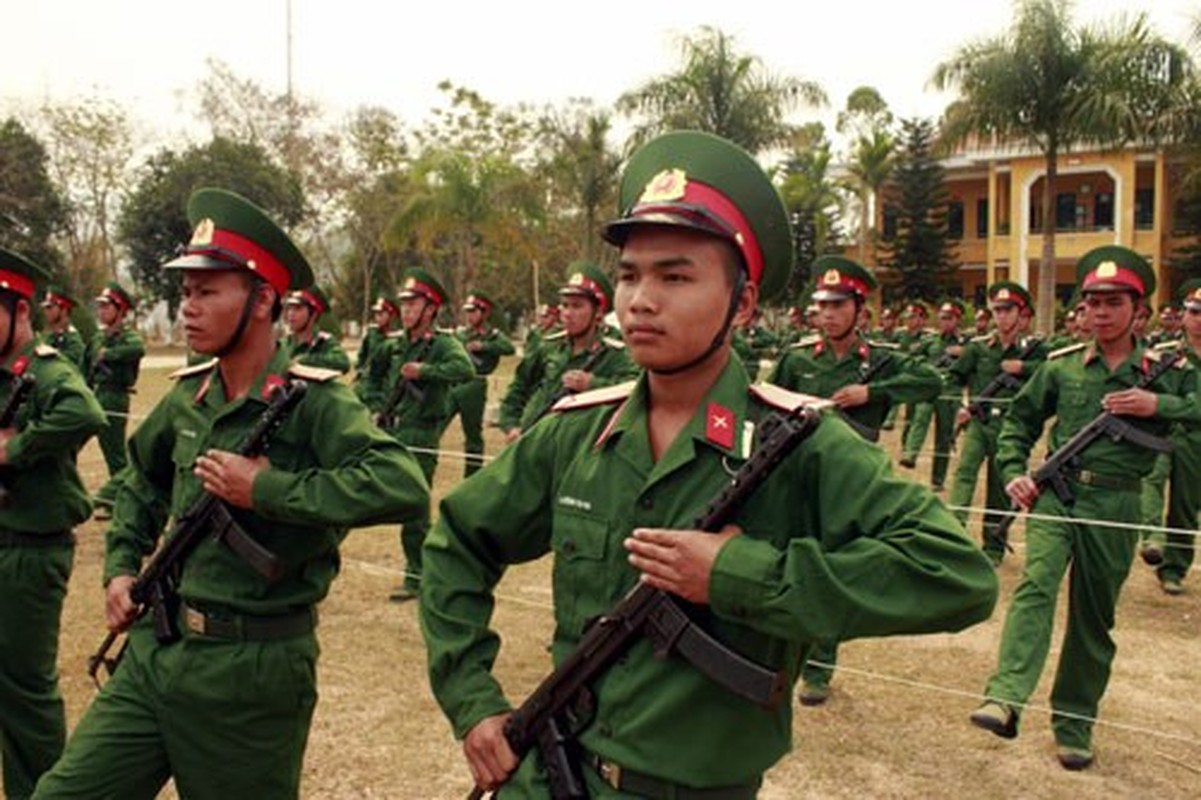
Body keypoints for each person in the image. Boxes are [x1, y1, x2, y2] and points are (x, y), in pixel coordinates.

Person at [421, 131, 997, 798]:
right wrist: (473, 701)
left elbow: (955, 575)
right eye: (629, 275)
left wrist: (742, 575)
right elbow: (458, 541)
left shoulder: (800, 443)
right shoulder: (577, 431)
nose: (639, 299)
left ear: (743, 304)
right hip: (551, 772)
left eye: (674, 276)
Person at [33, 188, 428, 799]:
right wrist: (118, 568)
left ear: (264, 300)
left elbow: (401, 482)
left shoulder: (315, 399)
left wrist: (266, 488)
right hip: (157, 651)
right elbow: (140, 480)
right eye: (185, 292)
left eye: (207, 291)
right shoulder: (191, 393)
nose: (188, 307)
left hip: (251, 672)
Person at [969, 246, 1199, 771]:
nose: (1099, 312)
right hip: (1059, 494)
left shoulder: (1168, 370)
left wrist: (1158, 405)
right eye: (1091, 301)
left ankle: (1074, 723)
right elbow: (1019, 422)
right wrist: (1014, 474)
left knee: (1093, 618)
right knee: (1036, 585)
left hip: (1117, 502)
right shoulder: (1063, 368)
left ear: (1137, 310)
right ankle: (1004, 697)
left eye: (1112, 302)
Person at [769, 258, 941, 703]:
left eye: (837, 305)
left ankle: (819, 671)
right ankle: (781, 657)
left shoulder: (881, 362)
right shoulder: (799, 357)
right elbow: (768, 402)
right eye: (822, 306)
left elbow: (931, 381)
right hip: (797, 470)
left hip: (850, 481)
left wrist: (874, 393)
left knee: (829, 567)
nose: (827, 314)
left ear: (859, 311)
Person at [0, 249, 106, 799]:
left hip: (30, 549)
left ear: (21, 311)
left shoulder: (45, 369)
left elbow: (84, 413)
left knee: (25, 688)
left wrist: (16, 448)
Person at [379, 267, 474, 603]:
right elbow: (371, 377)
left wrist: (426, 371)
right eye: (403, 304)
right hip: (392, 428)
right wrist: (374, 405)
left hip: (422, 433)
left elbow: (465, 369)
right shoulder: (394, 345)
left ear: (431, 309)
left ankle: (418, 576)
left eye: (413, 304)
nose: (405, 310)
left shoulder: (444, 344)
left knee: (415, 510)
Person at [946, 282, 1046, 566]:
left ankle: (993, 548)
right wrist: (961, 406)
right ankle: (953, 534)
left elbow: (1052, 372)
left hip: (1010, 429)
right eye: (997, 310)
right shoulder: (979, 349)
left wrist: (1023, 368)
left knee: (1000, 487)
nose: (1001, 316)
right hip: (979, 421)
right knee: (965, 475)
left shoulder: (1034, 350)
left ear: (1021, 313)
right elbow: (953, 378)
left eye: (1008, 310)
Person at [497, 261, 638, 442]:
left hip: (580, 449)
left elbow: (634, 391)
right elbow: (518, 388)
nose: (567, 313)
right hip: (534, 440)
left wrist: (592, 384)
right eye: (564, 305)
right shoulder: (547, 346)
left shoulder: (615, 352)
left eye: (577, 306)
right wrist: (511, 426)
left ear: (598, 312)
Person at [1138, 279, 1201, 595]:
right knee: (1150, 482)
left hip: (1196, 440)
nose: (1198, 318)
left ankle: (1173, 568)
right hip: (1163, 433)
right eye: (1194, 311)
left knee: (1185, 506)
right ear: (1184, 314)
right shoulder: (1164, 353)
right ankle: (1153, 539)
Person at [83, 281, 145, 520]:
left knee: (115, 454)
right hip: (95, 395)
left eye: (107, 306)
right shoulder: (98, 337)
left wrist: (108, 354)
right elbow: (86, 365)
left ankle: (118, 500)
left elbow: (137, 349)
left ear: (120, 310)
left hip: (114, 397)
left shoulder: (128, 337)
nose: (101, 311)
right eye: (100, 307)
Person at [900, 299, 968, 488]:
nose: (944, 322)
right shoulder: (931, 341)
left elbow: (979, 355)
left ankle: (938, 480)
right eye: (941, 318)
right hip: (931, 388)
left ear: (957, 320)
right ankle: (910, 454)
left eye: (948, 318)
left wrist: (963, 352)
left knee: (944, 436)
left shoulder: (967, 342)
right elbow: (911, 357)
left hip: (950, 393)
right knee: (920, 416)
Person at [450, 290, 515, 478]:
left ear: (484, 313)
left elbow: (508, 348)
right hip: (453, 385)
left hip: (474, 386)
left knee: (472, 436)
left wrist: (484, 346)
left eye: (474, 311)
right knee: (435, 424)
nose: (469, 316)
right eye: (468, 312)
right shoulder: (462, 334)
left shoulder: (493, 335)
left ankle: (472, 476)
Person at [282, 285, 351, 374]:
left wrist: (305, 360)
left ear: (313, 314)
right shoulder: (284, 343)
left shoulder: (324, 341)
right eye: (289, 308)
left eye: (298, 308)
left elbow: (342, 362)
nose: (290, 313)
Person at [352, 295, 399, 413]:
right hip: (364, 383)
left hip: (381, 389)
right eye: (376, 314)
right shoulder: (372, 333)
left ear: (391, 315)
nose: (377, 317)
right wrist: (360, 368)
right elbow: (363, 353)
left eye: (381, 314)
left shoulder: (398, 338)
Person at [38, 285, 86, 370]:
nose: (46, 311)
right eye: (45, 308)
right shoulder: (46, 335)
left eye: (50, 307)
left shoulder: (74, 343)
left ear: (64, 310)